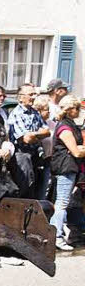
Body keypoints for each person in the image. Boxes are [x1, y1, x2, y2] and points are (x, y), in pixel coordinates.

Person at [50, 95, 85, 251]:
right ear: (70, 109)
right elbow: (76, 152)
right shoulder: (65, 127)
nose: (78, 111)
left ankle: (56, 234)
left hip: (70, 167)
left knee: (63, 202)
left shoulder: (69, 125)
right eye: (76, 108)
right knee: (62, 203)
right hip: (66, 167)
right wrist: (80, 150)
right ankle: (55, 236)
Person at [7, 83, 50, 198]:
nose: (34, 97)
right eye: (31, 94)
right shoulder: (16, 114)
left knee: (35, 189)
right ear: (21, 97)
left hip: (35, 155)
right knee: (25, 188)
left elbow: (48, 132)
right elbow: (26, 139)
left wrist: (34, 133)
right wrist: (38, 134)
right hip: (22, 156)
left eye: (34, 94)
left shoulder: (35, 112)